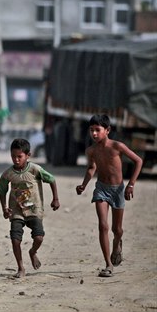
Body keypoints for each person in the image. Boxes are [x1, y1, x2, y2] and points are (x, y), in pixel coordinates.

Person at [76, 114, 143, 278]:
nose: (94, 134)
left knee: (117, 229)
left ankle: (117, 243)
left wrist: (131, 184)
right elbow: (91, 168)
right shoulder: (91, 150)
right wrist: (84, 185)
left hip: (118, 190)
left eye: (97, 130)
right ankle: (108, 264)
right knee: (103, 226)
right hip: (101, 189)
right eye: (91, 130)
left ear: (107, 130)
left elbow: (138, 161)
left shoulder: (117, 146)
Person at [0, 138, 60, 279]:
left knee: (39, 237)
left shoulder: (35, 170)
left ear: (28, 155)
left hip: (34, 209)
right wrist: (4, 208)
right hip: (16, 211)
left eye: (19, 156)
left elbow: (52, 180)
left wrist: (55, 198)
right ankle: (20, 267)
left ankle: (32, 252)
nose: (16, 160)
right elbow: (2, 191)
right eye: (13, 156)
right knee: (15, 240)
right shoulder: (8, 174)